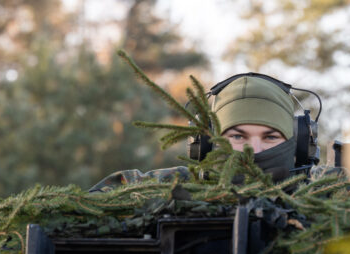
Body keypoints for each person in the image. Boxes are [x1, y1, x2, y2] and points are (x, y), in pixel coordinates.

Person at [89, 74, 298, 192]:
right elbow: (95, 199)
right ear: (207, 142)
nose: (255, 151)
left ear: (299, 142)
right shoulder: (177, 184)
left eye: (271, 137)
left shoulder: (315, 192)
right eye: (237, 136)